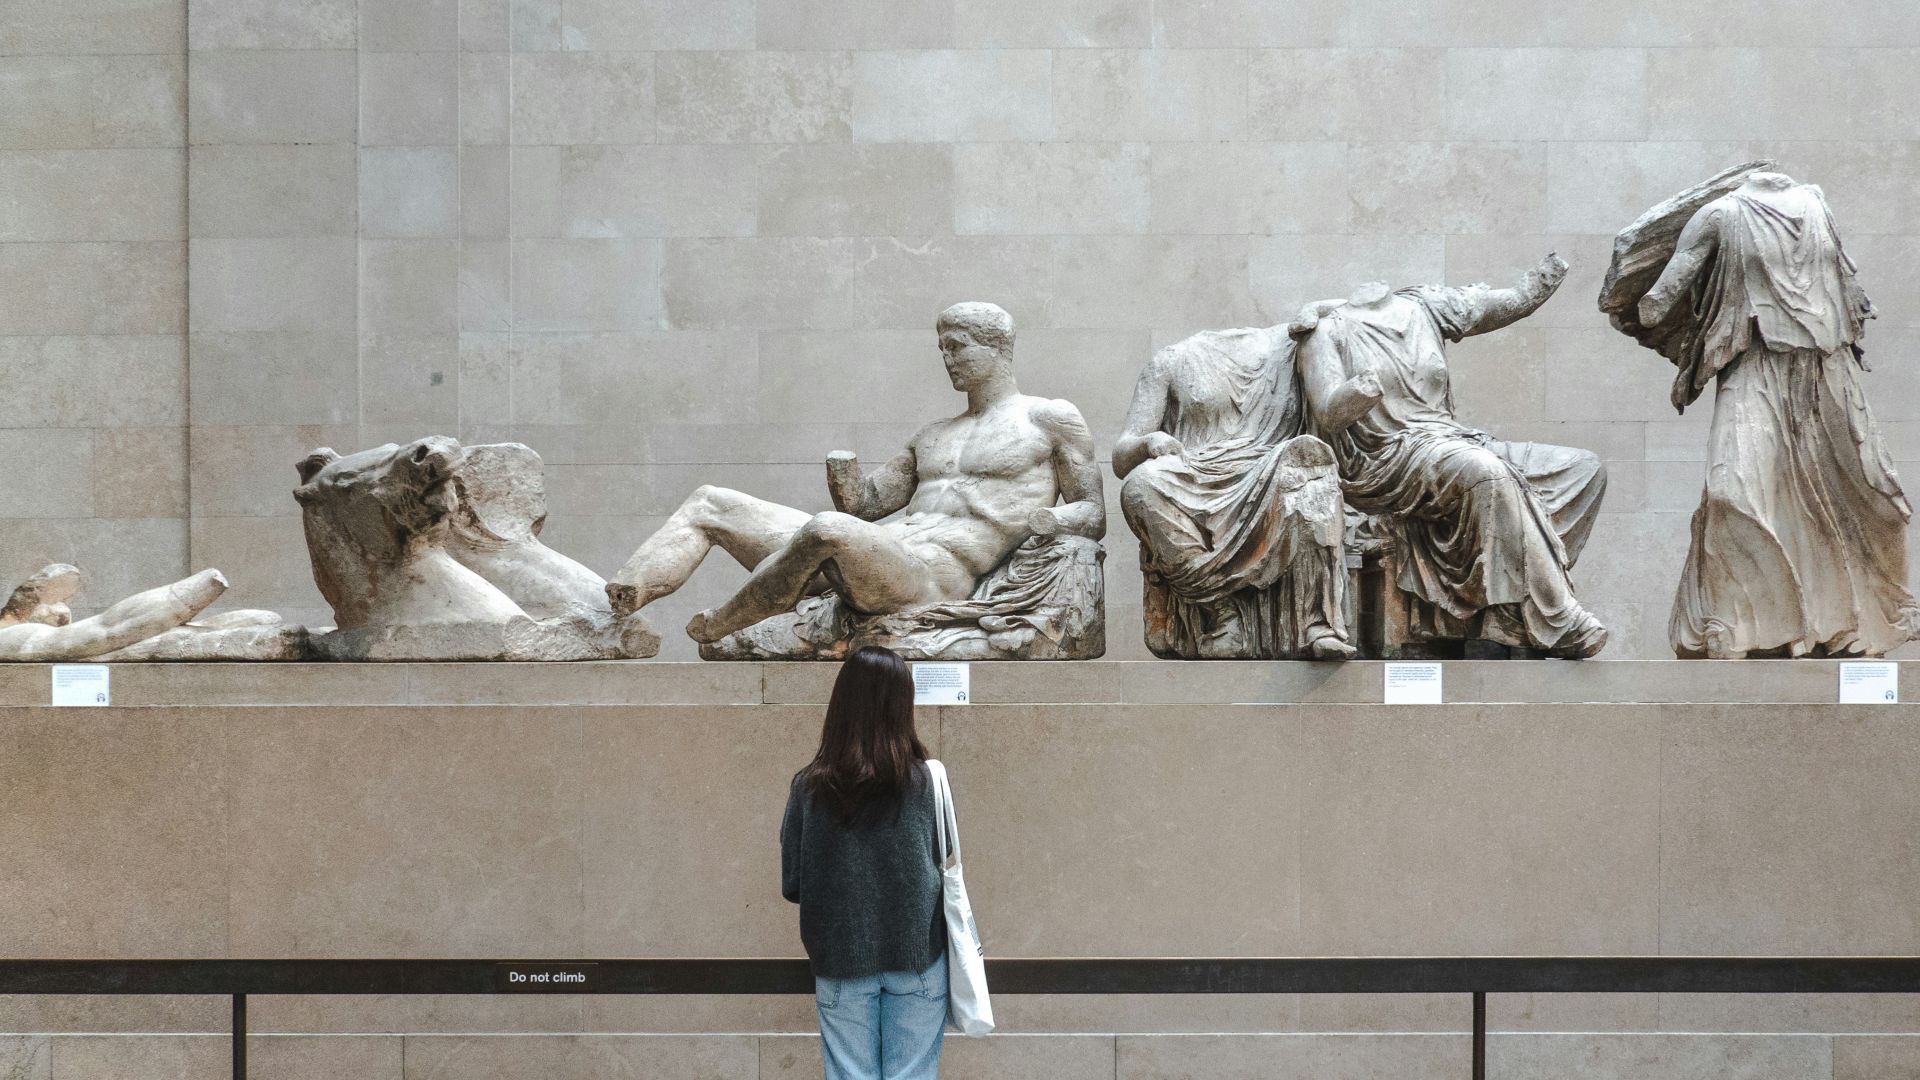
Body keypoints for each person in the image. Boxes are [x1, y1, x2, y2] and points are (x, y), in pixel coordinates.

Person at [606, 302, 1104, 645]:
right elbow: (865, 506)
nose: (947, 359)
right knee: (711, 501)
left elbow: (1093, 512)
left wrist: (1052, 522)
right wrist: (841, 468)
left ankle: (723, 624)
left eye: (957, 347)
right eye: (942, 349)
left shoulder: (1048, 418)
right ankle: (623, 598)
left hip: (932, 576)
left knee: (828, 529)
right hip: (870, 553)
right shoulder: (933, 434)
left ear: (997, 349)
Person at [1635, 171, 1919, 658]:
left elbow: (1846, 289)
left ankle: (1850, 622)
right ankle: (1734, 621)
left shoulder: (1816, 205)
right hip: (1754, 366)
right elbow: (1656, 300)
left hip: (1826, 371)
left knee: (1875, 500)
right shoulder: (1719, 215)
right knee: (1731, 493)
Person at [1293, 256, 1610, 658]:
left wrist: (1550, 273)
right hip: (1386, 456)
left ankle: (1510, 606)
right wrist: (1361, 390)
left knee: (1583, 469)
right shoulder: (1324, 330)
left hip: (1451, 439)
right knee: (1487, 473)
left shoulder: (1424, 307)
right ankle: (1557, 615)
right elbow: (1329, 413)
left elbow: (1516, 299)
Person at [1113, 324, 1354, 660]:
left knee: (1309, 466)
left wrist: (1314, 318)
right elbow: (1122, 456)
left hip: (1269, 468)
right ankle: (1219, 612)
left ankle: (1317, 622)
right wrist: (1147, 442)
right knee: (1140, 485)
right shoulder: (1170, 361)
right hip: (1193, 474)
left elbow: (1347, 315)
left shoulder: (1294, 345)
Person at [781, 645, 949, 1080]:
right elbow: (941, 861)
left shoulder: (809, 787)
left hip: (841, 962)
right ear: (902, 705)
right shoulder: (926, 781)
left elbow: (793, 884)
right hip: (919, 959)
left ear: (841, 705)